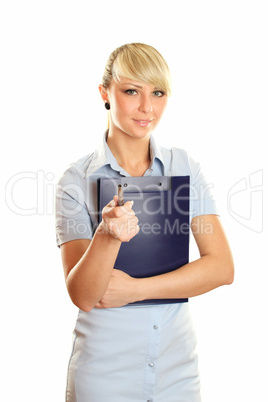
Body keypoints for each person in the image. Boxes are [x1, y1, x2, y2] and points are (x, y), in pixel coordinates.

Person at [55, 42, 234, 402]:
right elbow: (84, 295)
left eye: (158, 92)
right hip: (105, 371)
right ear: (105, 92)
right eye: (131, 91)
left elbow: (221, 268)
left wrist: (136, 290)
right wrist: (106, 235)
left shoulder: (184, 167)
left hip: (176, 368)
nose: (147, 108)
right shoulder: (75, 181)